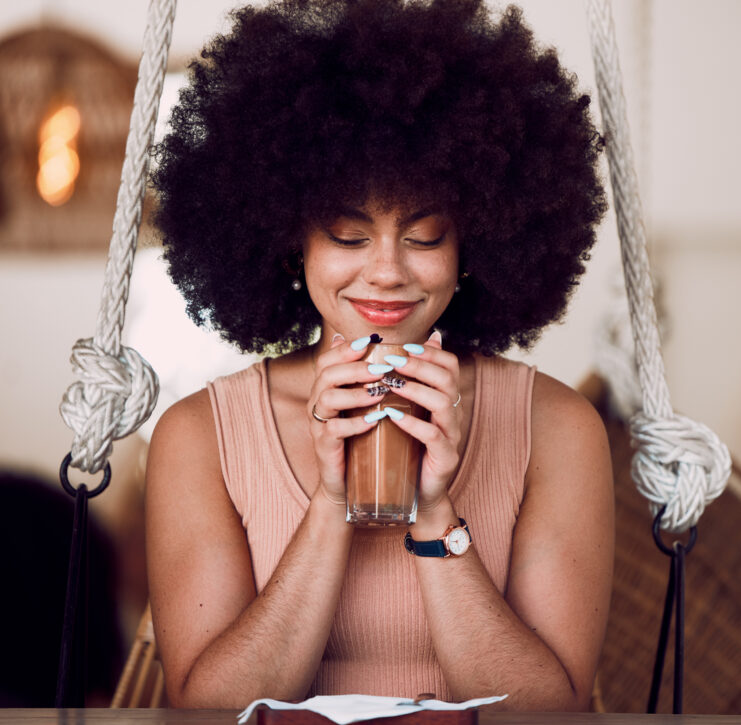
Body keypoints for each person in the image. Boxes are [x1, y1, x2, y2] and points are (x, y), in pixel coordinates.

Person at [145, 0, 613, 711]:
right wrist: (333, 500)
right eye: (347, 232)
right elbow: (213, 711)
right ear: (292, 244)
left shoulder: (558, 428)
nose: (387, 271)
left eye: (425, 236)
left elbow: (545, 713)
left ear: (472, 248)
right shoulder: (199, 436)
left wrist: (434, 511)